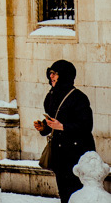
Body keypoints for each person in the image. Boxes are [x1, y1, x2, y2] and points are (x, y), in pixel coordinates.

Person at [33, 60, 95, 203]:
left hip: (76, 154)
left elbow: (86, 126)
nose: (51, 77)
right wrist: (44, 127)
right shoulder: (51, 96)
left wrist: (63, 127)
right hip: (59, 155)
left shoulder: (79, 98)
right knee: (64, 193)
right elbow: (53, 121)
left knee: (76, 192)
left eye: (55, 74)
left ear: (65, 76)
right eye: (50, 73)